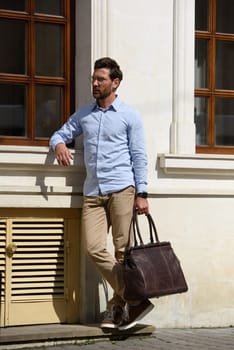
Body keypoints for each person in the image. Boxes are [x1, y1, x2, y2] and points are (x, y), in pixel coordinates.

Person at [49, 57, 154, 330]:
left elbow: (139, 156)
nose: (94, 84)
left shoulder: (129, 115)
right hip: (93, 193)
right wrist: (59, 143)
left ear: (115, 83)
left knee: (123, 253)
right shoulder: (85, 114)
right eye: (93, 79)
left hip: (122, 189)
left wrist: (142, 193)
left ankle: (115, 310)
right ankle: (135, 297)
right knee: (94, 248)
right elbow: (60, 133)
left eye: (100, 79)